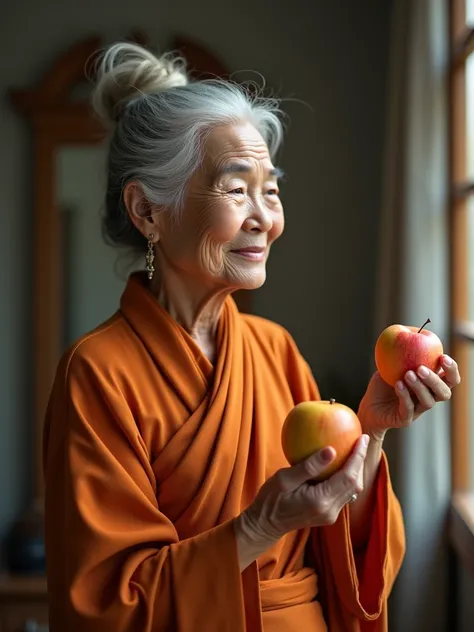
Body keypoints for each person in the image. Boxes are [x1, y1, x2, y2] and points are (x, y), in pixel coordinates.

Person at [42, 42, 461, 632]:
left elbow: (339, 540)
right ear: (146, 211)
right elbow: (106, 603)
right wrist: (259, 527)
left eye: (271, 189)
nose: (265, 216)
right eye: (237, 189)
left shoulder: (274, 348)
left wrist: (369, 433)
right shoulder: (97, 371)